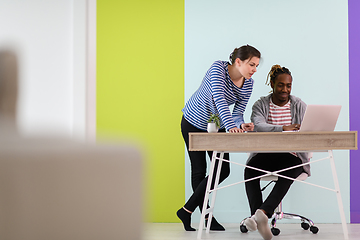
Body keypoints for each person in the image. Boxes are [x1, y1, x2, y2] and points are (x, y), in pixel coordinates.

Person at [177, 45, 261, 231]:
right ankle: (207, 217)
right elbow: (219, 99)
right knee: (199, 170)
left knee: (223, 170)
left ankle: (187, 210)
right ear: (238, 62)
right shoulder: (218, 69)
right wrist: (231, 125)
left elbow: (238, 112)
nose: (255, 69)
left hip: (217, 125)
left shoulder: (249, 84)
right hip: (193, 122)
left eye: (256, 65)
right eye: (252, 64)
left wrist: (240, 124)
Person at [243, 64, 311, 240]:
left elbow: (310, 127)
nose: (285, 89)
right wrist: (283, 128)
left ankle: (261, 214)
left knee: (290, 170)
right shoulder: (261, 105)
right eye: (281, 85)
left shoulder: (298, 105)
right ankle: (259, 216)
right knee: (250, 170)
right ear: (272, 84)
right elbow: (259, 125)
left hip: (290, 155)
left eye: (288, 85)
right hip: (265, 153)